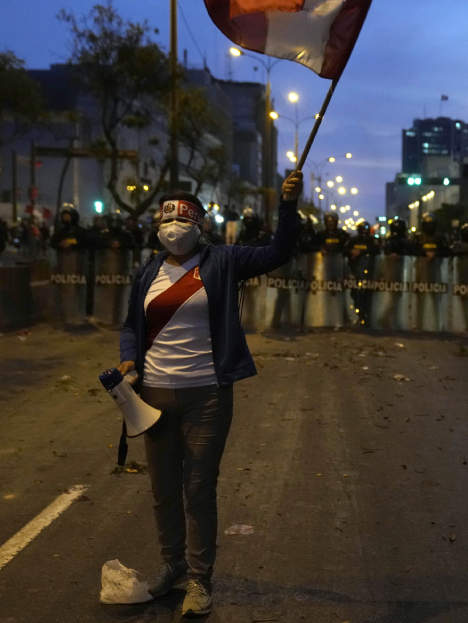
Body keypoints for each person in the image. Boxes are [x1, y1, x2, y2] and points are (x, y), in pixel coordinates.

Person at [117, 172, 302, 616]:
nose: (173, 229)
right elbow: (130, 327)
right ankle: (172, 567)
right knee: (163, 490)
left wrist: (289, 206)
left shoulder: (225, 260)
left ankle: (200, 580)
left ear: (200, 226)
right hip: (155, 398)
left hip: (207, 396)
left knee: (198, 489)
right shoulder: (148, 271)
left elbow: (279, 251)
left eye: (183, 221)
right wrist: (127, 360)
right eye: (167, 221)